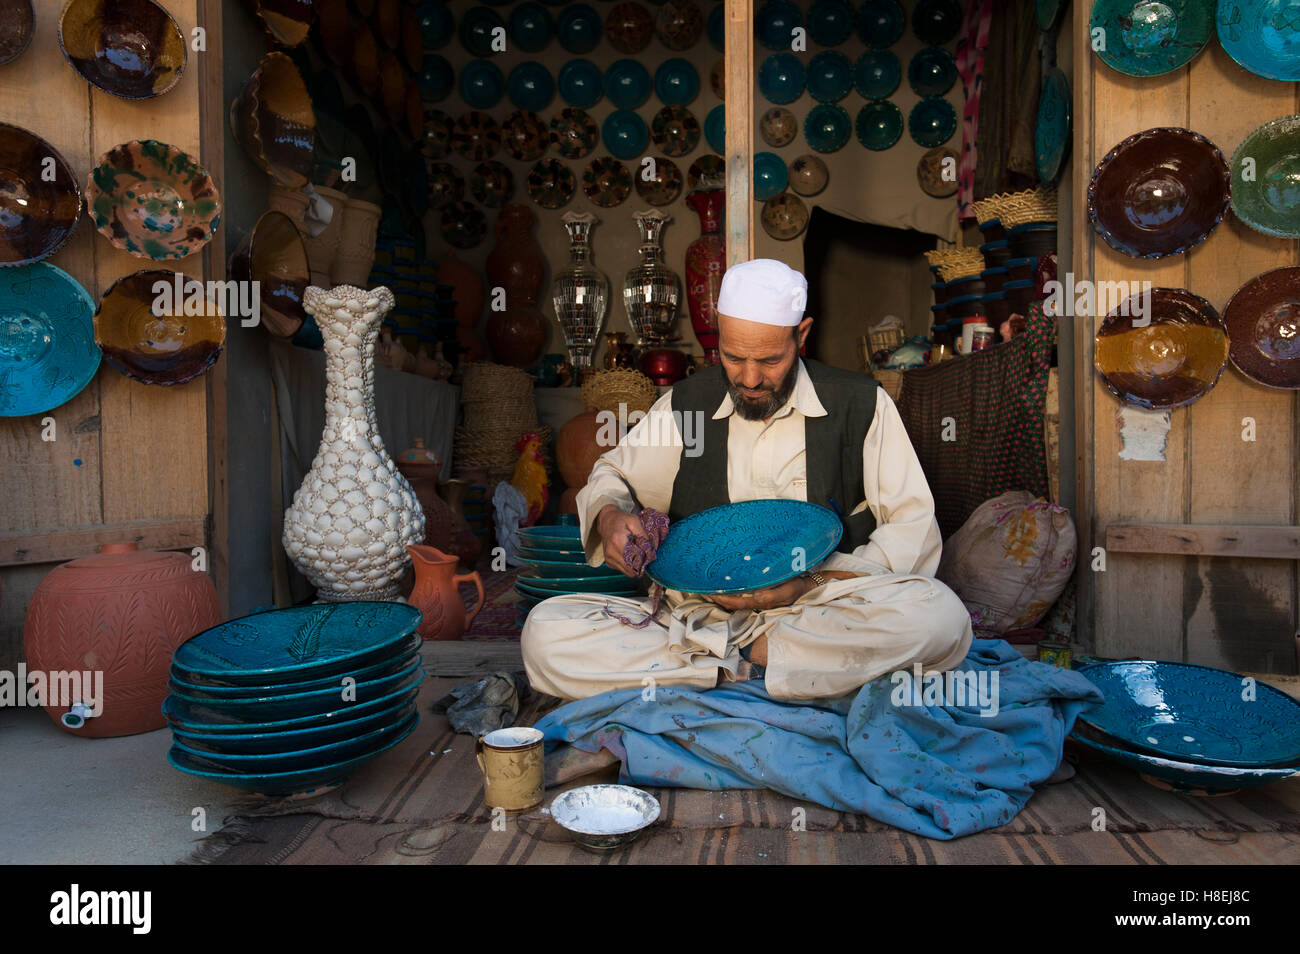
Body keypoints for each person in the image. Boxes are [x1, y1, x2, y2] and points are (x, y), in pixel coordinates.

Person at [522, 258, 972, 702]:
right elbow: (612, 472)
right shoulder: (687, 407)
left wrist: (811, 584)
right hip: (700, 620)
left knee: (943, 620)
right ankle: (752, 668)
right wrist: (608, 516)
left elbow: (914, 528)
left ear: (802, 335)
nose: (751, 378)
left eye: (770, 360)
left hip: (822, 611)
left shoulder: (860, 405)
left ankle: (744, 662)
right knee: (546, 633)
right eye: (734, 358)